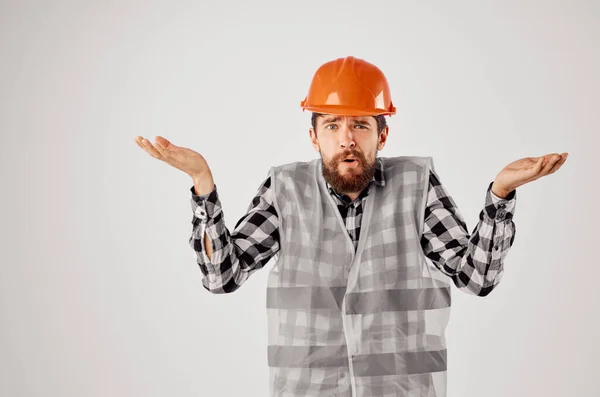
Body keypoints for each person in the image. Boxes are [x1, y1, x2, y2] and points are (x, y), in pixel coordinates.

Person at [135, 56, 568, 397]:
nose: (347, 138)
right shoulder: (285, 189)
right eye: (333, 125)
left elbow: (476, 279)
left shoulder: (417, 186)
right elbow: (220, 276)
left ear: (382, 135)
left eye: (360, 124)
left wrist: (500, 196)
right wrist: (203, 185)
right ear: (314, 137)